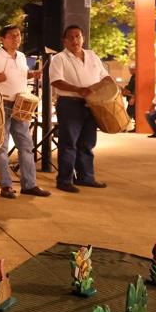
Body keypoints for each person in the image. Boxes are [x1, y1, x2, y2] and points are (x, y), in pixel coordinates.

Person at [0, 24, 50, 199]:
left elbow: (20, 75)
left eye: (18, 35)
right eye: (12, 36)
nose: (16, 39)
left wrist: (32, 74)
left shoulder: (21, 57)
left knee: (26, 146)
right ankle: (6, 186)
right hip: (0, 105)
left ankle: (29, 184)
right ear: (1, 39)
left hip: (20, 105)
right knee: (1, 147)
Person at [49, 25, 110, 192]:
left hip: (91, 105)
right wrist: (78, 89)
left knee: (87, 143)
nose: (75, 40)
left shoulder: (92, 55)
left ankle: (86, 177)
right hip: (69, 104)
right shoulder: (59, 58)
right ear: (65, 40)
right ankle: (64, 180)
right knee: (68, 144)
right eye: (71, 37)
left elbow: (104, 76)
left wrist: (108, 88)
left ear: (83, 38)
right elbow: (55, 81)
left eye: (78, 36)